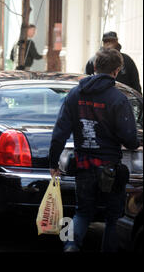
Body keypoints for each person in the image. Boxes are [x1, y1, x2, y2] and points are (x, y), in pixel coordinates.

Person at [49, 48, 139, 252]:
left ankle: (71, 245)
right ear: (117, 71)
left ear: (95, 67)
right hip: (111, 168)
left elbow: (59, 133)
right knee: (112, 217)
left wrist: (53, 163)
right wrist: (130, 143)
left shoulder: (75, 94)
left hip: (83, 165)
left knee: (82, 212)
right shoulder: (118, 99)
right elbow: (130, 138)